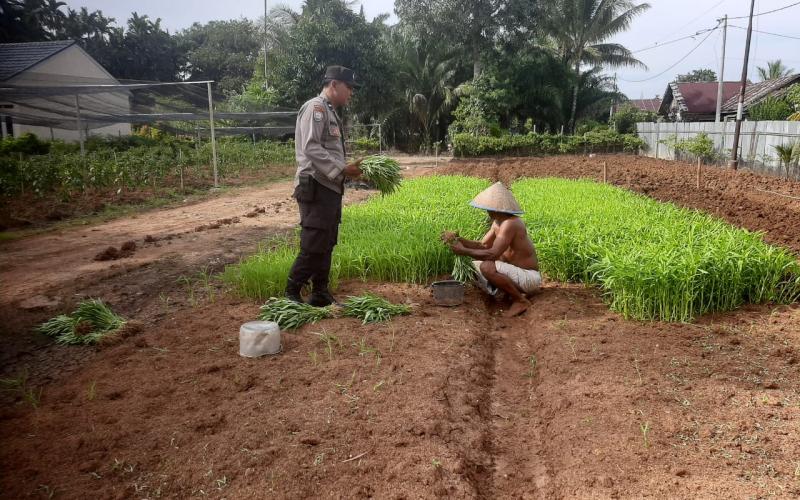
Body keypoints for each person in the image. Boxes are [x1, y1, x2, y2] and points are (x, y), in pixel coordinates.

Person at [285, 65, 363, 306]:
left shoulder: (330, 111)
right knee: (313, 242)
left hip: (328, 187)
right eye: (348, 87)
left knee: (327, 241)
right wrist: (342, 169)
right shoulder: (316, 108)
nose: (351, 92)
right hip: (316, 186)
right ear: (334, 85)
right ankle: (291, 293)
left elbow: (327, 150)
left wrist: (348, 169)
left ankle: (320, 292)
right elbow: (311, 147)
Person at [442, 182, 542, 317]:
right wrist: (459, 239)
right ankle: (505, 292)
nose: (487, 211)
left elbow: (492, 253)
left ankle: (520, 300)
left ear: (496, 208)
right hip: (517, 274)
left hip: (529, 277)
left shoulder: (510, 223)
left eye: (488, 208)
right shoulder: (498, 222)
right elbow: (482, 245)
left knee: (487, 266)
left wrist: (463, 251)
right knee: (472, 266)